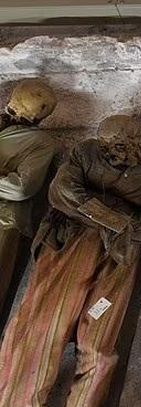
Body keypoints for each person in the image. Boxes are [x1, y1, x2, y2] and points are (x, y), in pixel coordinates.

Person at [0, 114, 141, 407]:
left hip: (119, 260)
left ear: (139, 141)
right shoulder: (84, 152)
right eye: (109, 143)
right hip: (70, 245)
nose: (114, 150)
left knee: (100, 346)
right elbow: (61, 193)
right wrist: (120, 215)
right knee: (42, 326)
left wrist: (90, 205)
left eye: (122, 142)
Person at [0, 79, 58, 312]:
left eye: (19, 109)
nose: (12, 111)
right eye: (13, 105)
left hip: (5, 220)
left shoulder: (41, 143)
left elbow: (22, 188)